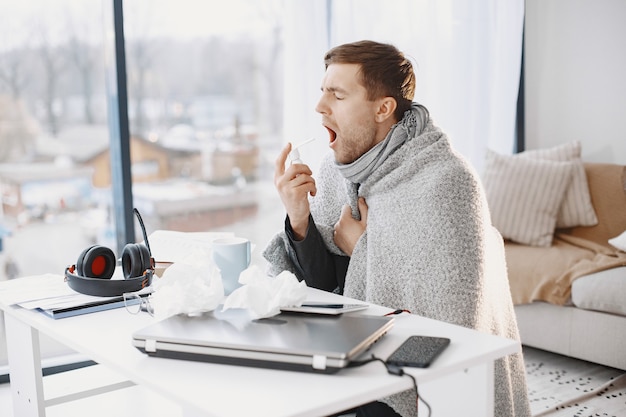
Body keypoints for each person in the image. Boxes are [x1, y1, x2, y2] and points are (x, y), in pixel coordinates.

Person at [263, 40, 530, 417]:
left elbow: (451, 328)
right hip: (351, 356)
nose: (320, 107)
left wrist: (362, 249)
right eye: (322, 92)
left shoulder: (446, 181)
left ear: (383, 108)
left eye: (336, 95)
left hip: (419, 382)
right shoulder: (336, 171)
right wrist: (298, 217)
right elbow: (323, 293)